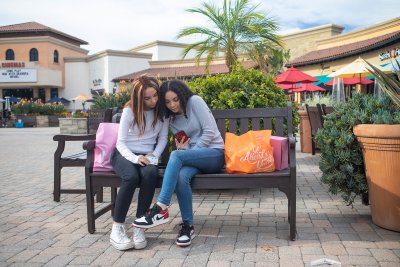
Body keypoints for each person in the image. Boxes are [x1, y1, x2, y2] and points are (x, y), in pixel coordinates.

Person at [133, 79, 225, 247]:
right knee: (182, 176)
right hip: (195, 158)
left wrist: (190, 151)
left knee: (176, 155)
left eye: (175, 100)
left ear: (182, 95)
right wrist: (187, 151)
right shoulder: (172, 119)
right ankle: (188, 227)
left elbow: (210, 132)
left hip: (214, 154)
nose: (172, 105)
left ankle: (161, 205)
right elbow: (183, 143)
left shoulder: (195, 102)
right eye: (167, 102)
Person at [109, 75, 169, 251]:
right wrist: (135, 158)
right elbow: (120, 143)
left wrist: (154, 156)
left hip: (148, 155)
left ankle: (139, 225)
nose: (153, 101)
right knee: (131, 177)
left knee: (150, 173)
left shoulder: (162, 112)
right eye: (147, 98)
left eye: (155, 96)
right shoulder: (130, 111)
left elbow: (163, 137)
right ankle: (117, 228)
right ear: (138, 98)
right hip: (124, 154)